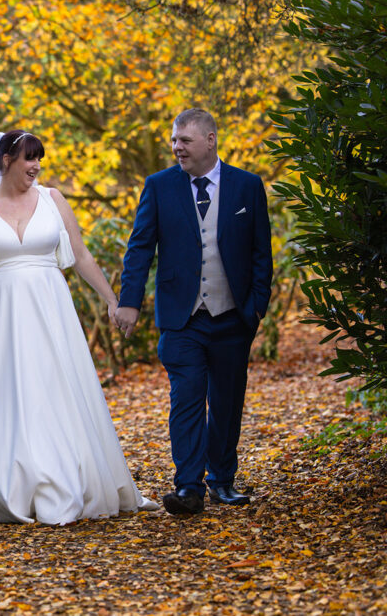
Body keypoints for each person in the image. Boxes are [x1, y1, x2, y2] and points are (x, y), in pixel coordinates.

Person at [0, 130, 158, 524]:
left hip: (49, 308)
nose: (36, 166)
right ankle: (5, 477)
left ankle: (61, 475)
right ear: (6, 160)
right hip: (0, 314)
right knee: (5, 390)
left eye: (39, 158)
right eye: (29, 158)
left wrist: (114, 299)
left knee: (53, 386)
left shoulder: (53, 199)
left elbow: (80, 255)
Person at [114, 109, 272, 516]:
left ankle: (222, 480)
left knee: (226, 401)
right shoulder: (160, 186)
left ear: (210, 140)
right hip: (181, 318)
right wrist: (130, 301)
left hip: (233, 316)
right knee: (186, 398)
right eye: (174, 140)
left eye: (184, 140)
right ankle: (188, 487)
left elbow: (260, 253)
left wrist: (254, 308)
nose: (176, 147)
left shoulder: (247, 186)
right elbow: (140, 248)